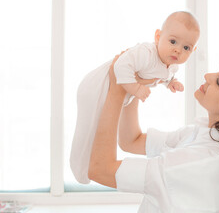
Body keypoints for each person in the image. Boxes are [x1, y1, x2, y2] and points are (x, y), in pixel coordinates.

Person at [88, 55, 219, 213]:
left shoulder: (202, 163)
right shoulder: (205, 134)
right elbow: (131, 141)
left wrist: (117, 86)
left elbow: (99, 169)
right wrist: (135, 85)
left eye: (218, 81)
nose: (208, 76)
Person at [70, 11, 200, 184]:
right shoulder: (146, 53)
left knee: (97, 130)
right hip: (97, 87)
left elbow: (162, 77)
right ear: (158, 36)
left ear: (193, 51)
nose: (178, 49)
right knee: (88, 129)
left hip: (113, 93)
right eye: (173, 41)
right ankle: (79, 167)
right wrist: (136, 88)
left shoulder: (172, 66)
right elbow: (120, 65)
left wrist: (171, 84)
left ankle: (84, 170)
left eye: (186, 48)